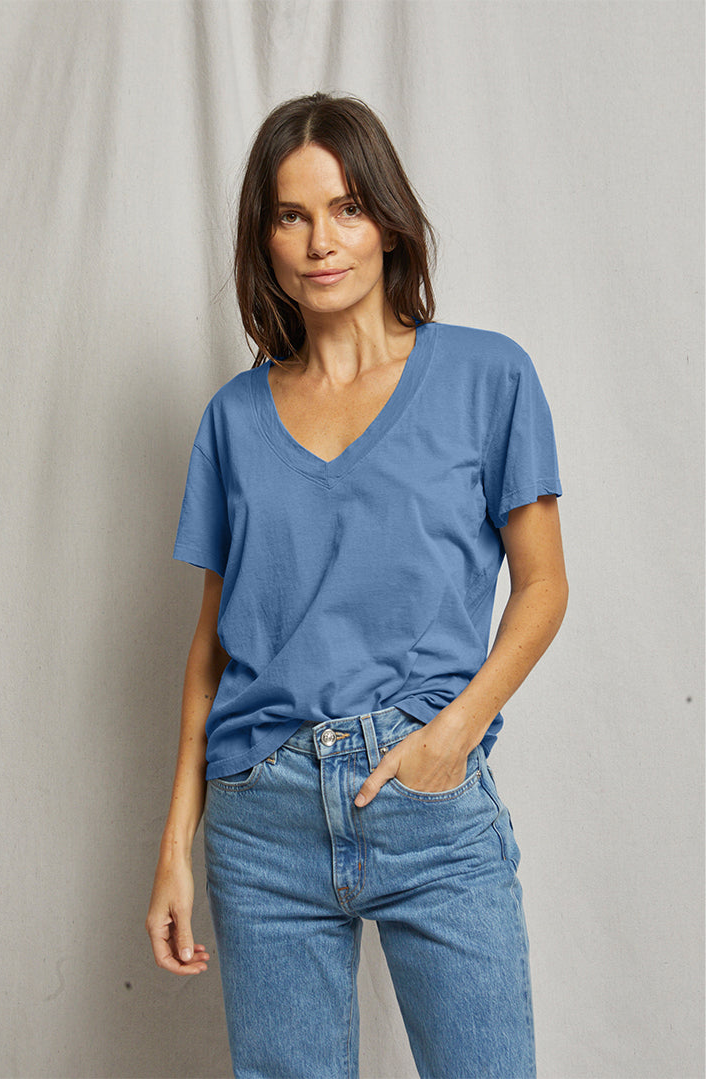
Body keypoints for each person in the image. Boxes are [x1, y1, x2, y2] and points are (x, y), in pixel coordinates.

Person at [146, 91, 568, 1079]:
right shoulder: (233, 420)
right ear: (264, 239)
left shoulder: (488, 376)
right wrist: (174, 845)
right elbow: (212, 646)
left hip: (427, 800)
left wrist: (451, 737)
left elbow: (544, 585)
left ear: (387, 220)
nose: (319, 241)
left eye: (345, 207)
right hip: (263, 820)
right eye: (291, 216)